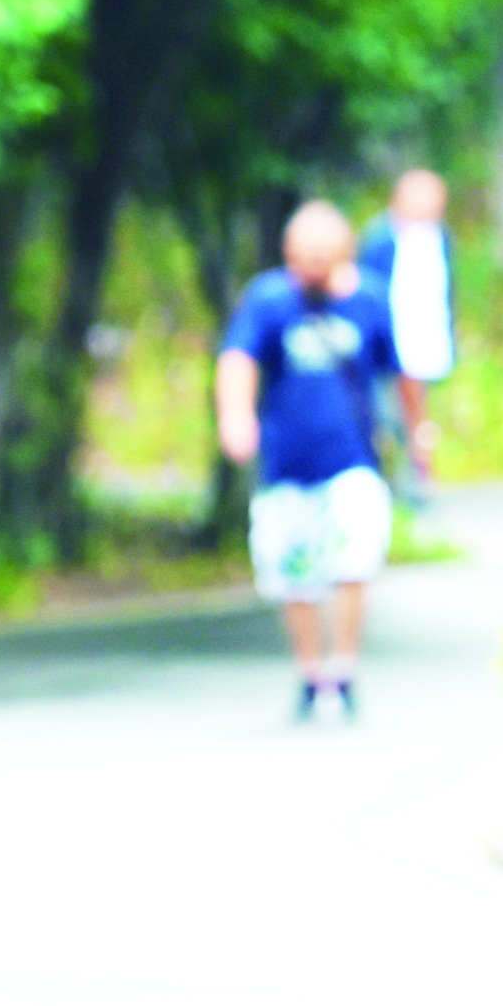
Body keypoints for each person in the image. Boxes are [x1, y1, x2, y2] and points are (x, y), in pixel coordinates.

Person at [216, 200, 401, 720]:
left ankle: (342, 668)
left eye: (324, 254)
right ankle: (309, 669)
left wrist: (417, 433)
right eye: (304, 255)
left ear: (344, 253)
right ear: (288, 253)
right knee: (293, 570)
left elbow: (395, 372)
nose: (314, 264)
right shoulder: (269, 299)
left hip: (353, 459)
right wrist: (235, 416)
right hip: (286, 463)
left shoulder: (368, 298)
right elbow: (237, 359)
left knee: (354, 559)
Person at [359, 169, 454, 498]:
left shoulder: (439, 236)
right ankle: (396, 480)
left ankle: (417, 478)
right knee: (387, 414)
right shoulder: (380, 238)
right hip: (389, 343)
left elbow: (445, 292)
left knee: (417, 414)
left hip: (426, 342)